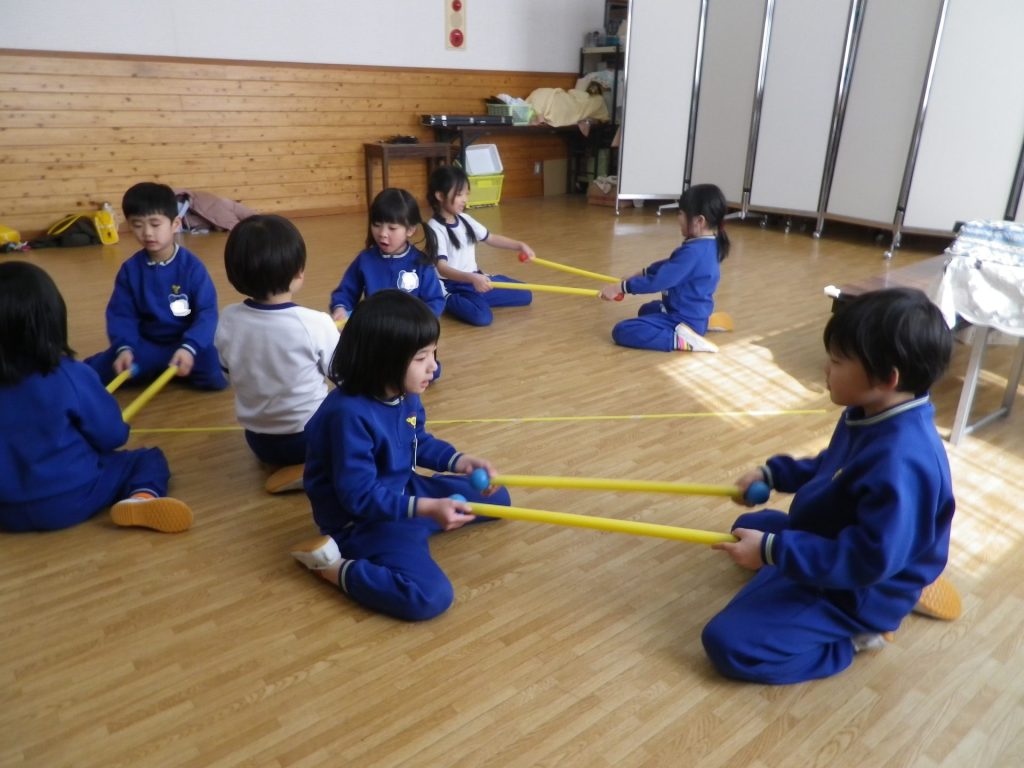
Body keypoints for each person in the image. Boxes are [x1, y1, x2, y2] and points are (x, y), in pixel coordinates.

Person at [701, 287, 955, 685]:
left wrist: (772, 552)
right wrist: (773, 475)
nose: (826, 368)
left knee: (728, 643)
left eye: (837, 361)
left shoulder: (903, 461)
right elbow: (831, 467)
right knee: (747, 528)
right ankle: (789, 571)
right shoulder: (870, 410)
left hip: (859, 589)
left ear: (887, 378)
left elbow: (867, 560)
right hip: (838, 540)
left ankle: (853, 638)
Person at [290, 290, 512, 621]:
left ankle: (422, 518)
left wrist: (461, 461)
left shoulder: (404, 392)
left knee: (499, 498)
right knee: (429, 597)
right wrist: (428, 508)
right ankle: (330, 567)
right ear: (383, 360)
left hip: (403, 489)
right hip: (362, 521)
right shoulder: (347, 415)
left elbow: (416, 440)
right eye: (421, 358)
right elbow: (361, 498)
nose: (433, 367)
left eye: (433, 353)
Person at [0, 261, 193, 533]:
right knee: (147, 459)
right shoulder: (70, 375)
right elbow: (112, 436)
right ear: (52, 320)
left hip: (5, 510)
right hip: (71, 498)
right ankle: (142, 498)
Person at [214, 214, 340, 493]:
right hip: (308, 437)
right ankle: (314, 469)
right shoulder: (315, 323)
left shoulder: (228, 319)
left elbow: (227, 371)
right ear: (298, 273)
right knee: (357, 404)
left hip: (259, 441)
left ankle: (286, 466)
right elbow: (344, 375)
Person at [85, 181, 227, 390]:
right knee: (102, 371)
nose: (147, 233)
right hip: (146, 345)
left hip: (186, 343)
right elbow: (122, 314)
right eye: (137, 225)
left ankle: (167, 367)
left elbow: (207, 312)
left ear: (175, 224)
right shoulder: (130, 270)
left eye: (155, 224)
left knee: (214, 379)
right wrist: (124, 347)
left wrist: (190, 346)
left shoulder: (192, 267)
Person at [598, 183, 729, 352]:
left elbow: (659, 281)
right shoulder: (706, 244)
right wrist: (642, 273)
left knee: (622, 331)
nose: (678, 218)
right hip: (689, 310)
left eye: (681, 213)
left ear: (699, 221)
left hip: (682, 317)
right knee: (646, 310)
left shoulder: (694, 252)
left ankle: (683, 340)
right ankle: (701, 323)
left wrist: (620, 288)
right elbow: (671, 265)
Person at [426, 165, 535, 326]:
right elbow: (442, 268)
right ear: (440, 196)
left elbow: (491, 238)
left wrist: (520, 245)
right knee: (482, 317)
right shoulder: (434, 228)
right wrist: (472, 278)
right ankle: (445, 298)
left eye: (466, 194)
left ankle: (480, 294)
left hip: (474, 279)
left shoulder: (464, 219)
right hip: (453, 284)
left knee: (526, 295)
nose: (465, 199)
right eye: (459, 194)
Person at [329, 188, 445, 322]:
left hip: (409, 330)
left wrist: (418, 322)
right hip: (374, 327)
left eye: (392, 228)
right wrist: (340, 308)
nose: (382, 233)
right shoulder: (365, 260)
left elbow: (435, 301)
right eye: (376, 225)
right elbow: (346, 292)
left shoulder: (421, 264)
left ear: (410, 230)